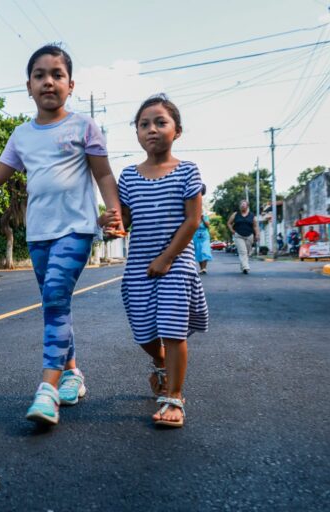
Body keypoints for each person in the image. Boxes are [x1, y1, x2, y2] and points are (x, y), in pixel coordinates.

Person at [0, 45, 124, 426]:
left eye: (57, 74)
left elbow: (103, 174)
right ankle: (72, 373)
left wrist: (112, 212)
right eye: (39, 75)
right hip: (39, 235)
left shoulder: (84, 126)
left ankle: (47, 389)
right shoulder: (21, 134)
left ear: (70, 84)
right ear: (28, 86)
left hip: (77, 229)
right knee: (57, 304)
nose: (48, 81)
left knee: (54, 298)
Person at [118, 94, 208, 428]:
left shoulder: (187, 171)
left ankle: (175, 397)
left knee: (172, 332)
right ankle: (161, 364)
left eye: (160, 122)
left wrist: (167, 259)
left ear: (177, 131)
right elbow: (123, 220)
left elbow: (193, 221)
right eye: (144, 124)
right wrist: (109, 223)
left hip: (176, 264)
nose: (151, 129)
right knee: (144, 334)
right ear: (137, 134)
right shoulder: (128, 176)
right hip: (139, 267)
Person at [227, 200, 260, 274]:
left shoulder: (252, 215)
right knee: (243, 252)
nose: (242, 206)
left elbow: (255, 226)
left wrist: (257, 234)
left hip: (249, 236)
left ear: (247, 206)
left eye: (244, 205)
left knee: (247, 252)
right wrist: (232, 230)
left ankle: (243, 265)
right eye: (241, 205)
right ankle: (246, 267)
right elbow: (229, 223)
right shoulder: (235, 214)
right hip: (238, 235)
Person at [194, 206, 212, 274]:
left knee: (204, 251)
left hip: (205, 237)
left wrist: (202, 219)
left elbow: (207, 226)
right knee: (199, 252)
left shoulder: (205, 217)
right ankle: (201, 268)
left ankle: (204, 268)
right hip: (196, 237)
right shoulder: (194, 217)